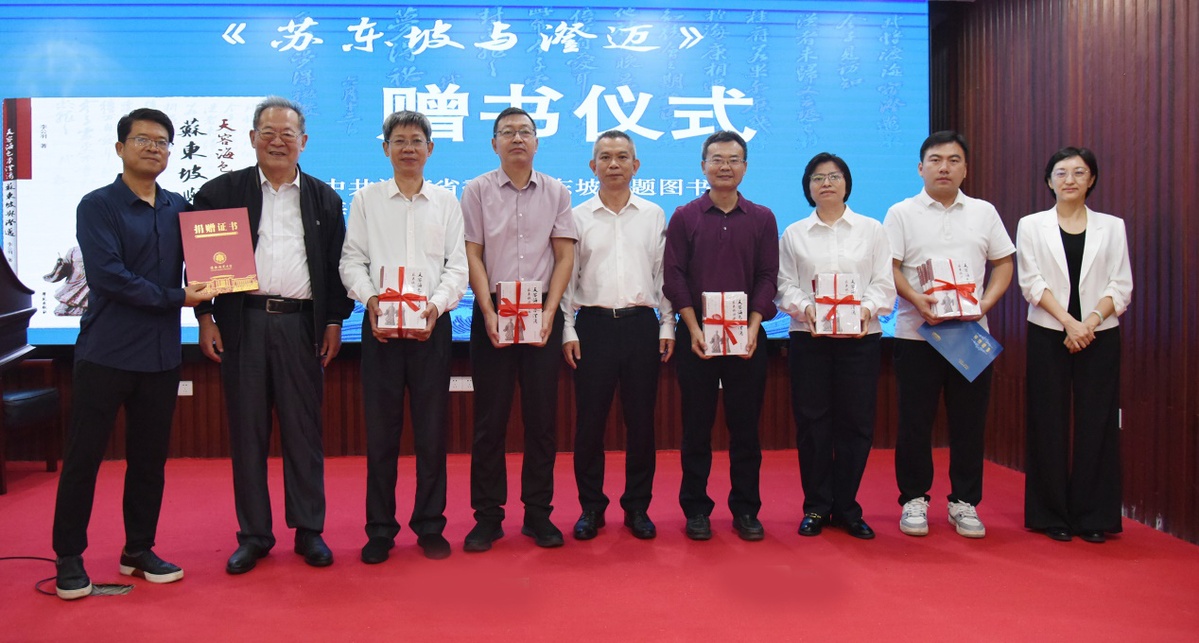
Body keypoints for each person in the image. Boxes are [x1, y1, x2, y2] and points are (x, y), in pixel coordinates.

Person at [52, 108, 208, 600]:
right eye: (143, 139)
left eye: (162, 142)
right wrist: (178, 298)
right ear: (120, 148)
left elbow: (205, 266)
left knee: (149, 461)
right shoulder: (98, 206)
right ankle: (69, 557)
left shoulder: (178, 207)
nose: (153, 148)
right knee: (84, 458)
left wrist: (214, 292)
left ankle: (138, 550)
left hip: (161, 356)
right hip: (106, 352)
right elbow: (108, 278)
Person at [192, 96, 353, 573]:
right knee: (247, 432)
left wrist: (334, 321)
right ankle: (254, 535)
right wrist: (205, 317)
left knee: (304, 431)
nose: (278, 141)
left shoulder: (324, 199)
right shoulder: (221, 192)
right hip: (244, 323)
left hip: (302, 325)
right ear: (252, 138)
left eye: (288, 134)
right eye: (268, 132)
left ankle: (309, 530)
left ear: (304, 141)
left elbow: (335, 267)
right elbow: (200, 266)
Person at [339, 111, 468, 562]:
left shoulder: (447, 202)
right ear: (385, 148)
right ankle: (380, 529)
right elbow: (351, 260)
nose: (408, 148)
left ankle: (430, 524)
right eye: (399, 140)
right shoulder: (366, 199)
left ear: (430, 149)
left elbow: (457, 266)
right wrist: (372, 300)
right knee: (382, 434)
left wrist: (436, 305)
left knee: (432, 432)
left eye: (416, 140)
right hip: (381, 329)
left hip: (433, 327)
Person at [884, 130, 1015, 539]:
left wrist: (984, 305)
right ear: (920, 168)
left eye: (954, 160)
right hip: (916, 333)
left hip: (970, 333)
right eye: (936, 160)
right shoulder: (901, 213)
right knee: (914, 423)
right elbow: (889, 267)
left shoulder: (984, 212)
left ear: (965, 169)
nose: (944, 167)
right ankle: (913, 499)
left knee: (969, 423)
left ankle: (964, 501)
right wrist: (916, 300)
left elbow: (1004, 263)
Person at [461, 107, 577, 551]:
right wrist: (487, 310)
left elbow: (564, 257)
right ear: (494, 143)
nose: (516, 138)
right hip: (492, 312)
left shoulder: (556, 191)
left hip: (541, 314)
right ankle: (488, 517)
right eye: (507, 132)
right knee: (489, 421)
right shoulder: (476, 190)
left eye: (525, 131)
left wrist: (550, 312)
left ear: (536, 142)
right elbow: (472, 254)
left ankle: (538, 514)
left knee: (542, 420)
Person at [663, 130, 779, 542]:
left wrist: (753, 326)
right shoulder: (685, 216)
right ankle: (696, 510)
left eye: (733, 160)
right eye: (717, 159)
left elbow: (768, 276)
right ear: (703, 167)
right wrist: (693, 328)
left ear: (745, 167)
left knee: (745, 429)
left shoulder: (762, 218)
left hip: (748, 336)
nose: (725, 166)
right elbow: (674, 276)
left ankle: (746, 510)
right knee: (696, 428)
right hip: (696, 336)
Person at [561, 130, 674, 541]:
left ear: (635, 165)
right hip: (592, 326)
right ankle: (591, 507)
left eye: (622, 156)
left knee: (641, 422)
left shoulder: (653, 214)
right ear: (592, 166)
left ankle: (637, 507)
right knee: (589, 423)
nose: (614, 164)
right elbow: (567, 277)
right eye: (605, 157)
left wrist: (667, 323)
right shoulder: (576, 216)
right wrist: (567, 328)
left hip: (641, 325)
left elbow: (663, 276)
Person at [776, 152, 895, 540]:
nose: (826, 183)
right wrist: (807, 309)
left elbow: (883, 283)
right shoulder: (794, 233)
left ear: (847, 183)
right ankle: (816, 506)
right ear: (807, 187)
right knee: (812, 424)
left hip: (861, 339)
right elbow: (784, 285)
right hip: (809, 338)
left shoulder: (872, 229)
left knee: (856, 424)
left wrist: (865, 310)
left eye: (834, 176)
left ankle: (846, 507)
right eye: (817, 178)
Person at [1017, 147, 1132, 543]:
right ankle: (1051, 513)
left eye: (1079, 172)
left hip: (1100, 333)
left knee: (1097, 422)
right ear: (1049, 181)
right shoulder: (1031, 225)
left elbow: (1121, 284)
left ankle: (1093, 515)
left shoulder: (1112, 226)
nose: (1070, 179)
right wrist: (1069, 322)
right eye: (1061, 172)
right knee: (1047, 420)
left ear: (1092, 179)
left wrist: (1090, 323)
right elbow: (1031, 282)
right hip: (1049, 331)